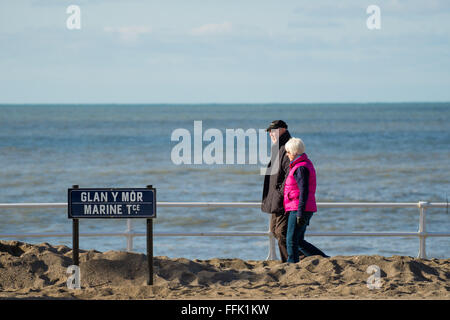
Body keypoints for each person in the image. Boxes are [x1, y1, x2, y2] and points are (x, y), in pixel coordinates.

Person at [284, 137, 328, 263]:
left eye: (288, 152)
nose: (287, 155)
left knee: (291, 239)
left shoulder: (300, 167)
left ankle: (292, 262)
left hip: (299, 207)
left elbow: (304, 191)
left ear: (294, 152)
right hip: (302, 207)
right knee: (299, 241)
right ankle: (324, 259)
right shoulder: (304, 164)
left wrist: (300, 212)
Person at [261, 120, 291, 262]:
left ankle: (291, 261)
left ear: (283, 130)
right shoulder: (278, 147)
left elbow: (289, 173)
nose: (270, 134)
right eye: (269, 132)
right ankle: (290, 260)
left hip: (283, 198)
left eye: (273, 131)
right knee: (274, 230)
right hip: (276, 197)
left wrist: (280, 191)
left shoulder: (287, 147)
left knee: (281, 232)